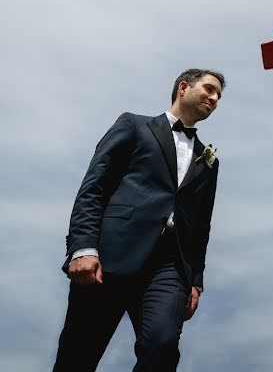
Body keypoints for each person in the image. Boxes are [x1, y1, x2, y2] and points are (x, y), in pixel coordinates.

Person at [54, 68, 225, 372]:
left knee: (162, 346)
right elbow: (94, 188)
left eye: (218, 96)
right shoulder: (134, 125)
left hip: (170, 266)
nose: (214, 98)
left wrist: (195, 282)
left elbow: (202, 228)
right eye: (209, 89)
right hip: (110, 254)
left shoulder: (209, 161)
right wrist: (83, 248)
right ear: (183, 88)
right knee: (78, 355)